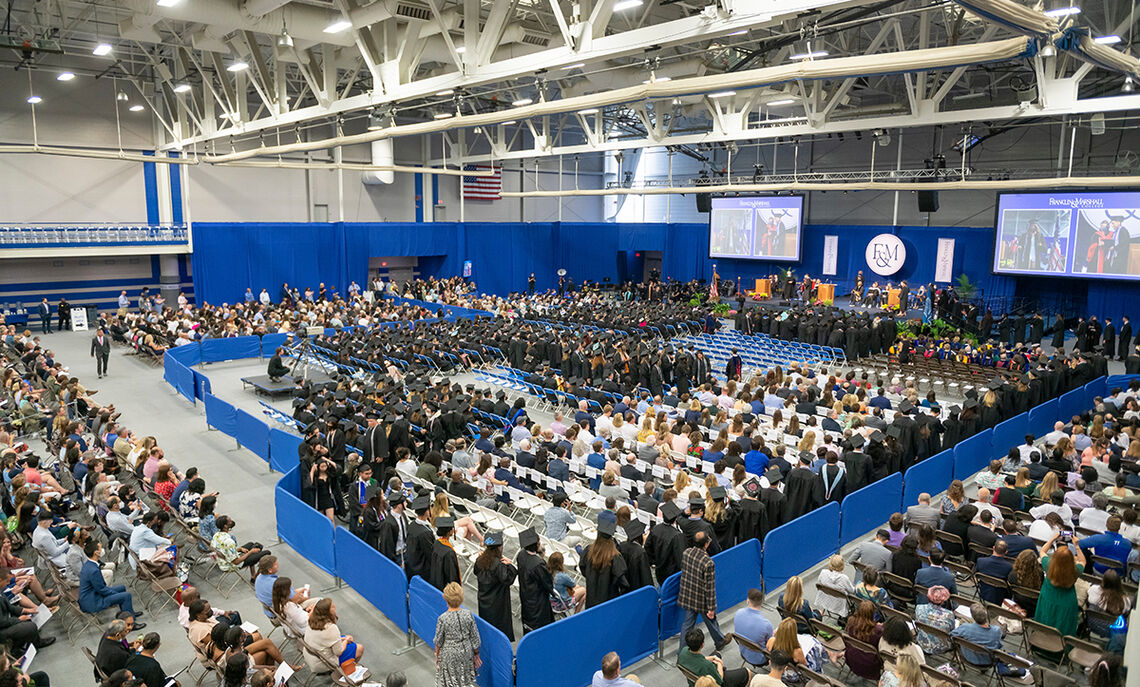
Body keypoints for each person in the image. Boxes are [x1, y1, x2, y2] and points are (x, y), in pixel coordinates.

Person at [951, 603, 1033, 683]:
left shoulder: (965, 627)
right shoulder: (996, 630)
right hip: (988, 661)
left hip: (967, 657)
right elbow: (998, 646)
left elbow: (952, 635)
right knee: (999, 637)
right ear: (986, 615)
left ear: (973, 616)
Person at [678, 531, 729, 655]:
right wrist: (711, 608)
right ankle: (719, 641)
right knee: (711, 620)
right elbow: (710, 588)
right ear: (706, 544)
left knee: (687, 625)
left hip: (688, 595)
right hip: (701, 599)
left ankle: (681, 653)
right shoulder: (708, 563)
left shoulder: (686, 553)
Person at [1034, 533, 1086, 638]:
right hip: (1066, 602)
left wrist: (1053, 538)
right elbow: (1082, 561)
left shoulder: (1048, 565)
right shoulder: (1075, 570)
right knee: (1063, 625)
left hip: (1048, 597)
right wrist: (1076, 546)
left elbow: (1042, 551)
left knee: (1045, 619)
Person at [435, 583, 481, 687]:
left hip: (449, 656)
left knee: (450, 682)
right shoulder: (468, 614)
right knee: (465, 681)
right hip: (466, 653)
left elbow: (438, 641)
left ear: (446, 599)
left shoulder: (443, 618)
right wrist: (476, 654)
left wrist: (437, 656)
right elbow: (475, 638)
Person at [474, 531, 517, 641]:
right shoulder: (498, 564)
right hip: (497, 603)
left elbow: (475, 571)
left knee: (487, 628)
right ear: (499, 548)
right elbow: (508, 580)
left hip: (484, 601)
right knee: (499, 629)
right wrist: (510, 565)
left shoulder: (480, 560)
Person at [303, 598, 363, 675]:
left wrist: (342, 639)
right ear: (329, 612)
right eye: (333, 607)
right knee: (359, 648)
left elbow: (324, 639)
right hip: (323, 663)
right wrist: (346, 641)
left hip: (311, 656)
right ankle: (345, 673)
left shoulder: (311, 620)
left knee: (345, 637)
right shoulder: (331, 628)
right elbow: (339, 652)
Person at [78, 541, 137, 617]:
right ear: (96, 553)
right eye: (100, 548)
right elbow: (101, 589)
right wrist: (116, 594)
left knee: (122, 588)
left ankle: (127, 613)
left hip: (92, 596)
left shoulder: (89, 564)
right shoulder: (93, 570)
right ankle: (130, 620)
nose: (102, 550)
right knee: (126, 596)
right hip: (93, 601)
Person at [678, 628, 751, 687]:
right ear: (702, 645)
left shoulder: (683, 651)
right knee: (747, 672)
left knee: (717, 654)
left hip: (694, 682)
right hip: (713, 683)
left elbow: (699, 658)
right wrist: (720, 663)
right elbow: (720, 680)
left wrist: (713, 657)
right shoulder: (707, 666)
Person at [516, 527, 554, 633]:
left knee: (528, 625)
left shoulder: (521, 555)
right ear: (536, 545)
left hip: (525, 595)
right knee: (540, 629)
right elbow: (547, 583)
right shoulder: (538, 564)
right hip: (538, 601)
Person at [732, 588, 772, 669]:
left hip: (743, 653)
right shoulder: (766, 624)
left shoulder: (738, 613)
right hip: (761, 659)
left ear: (747, 600)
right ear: (761, 602)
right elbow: (770, 645)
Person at [914, 585, 955, 654]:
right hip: (942, 647)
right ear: (943, 601)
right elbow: (951, 631)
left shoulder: (919, 608)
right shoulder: (949, 615)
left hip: (922, 643)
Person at [429, 517, 462, 591]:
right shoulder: (449, 552)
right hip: (444, 588)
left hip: (434, 581)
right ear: (449, 532)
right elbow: (452, 575)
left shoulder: (437, 543)